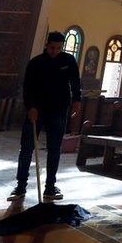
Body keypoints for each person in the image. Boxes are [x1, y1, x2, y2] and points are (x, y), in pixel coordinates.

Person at [8, 32, 82, 202]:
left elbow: (75, 82)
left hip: (59, 109)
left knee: (55, 148)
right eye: (52, 47)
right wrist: (31, 107)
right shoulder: (36, 63)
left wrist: (77, 100)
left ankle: (50, 187)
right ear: (46, 45)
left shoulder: (68, 60)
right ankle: (20, 186)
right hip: (36, 110)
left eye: (58, 48)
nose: (55, 51)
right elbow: (28, 87)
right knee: (27, 148)